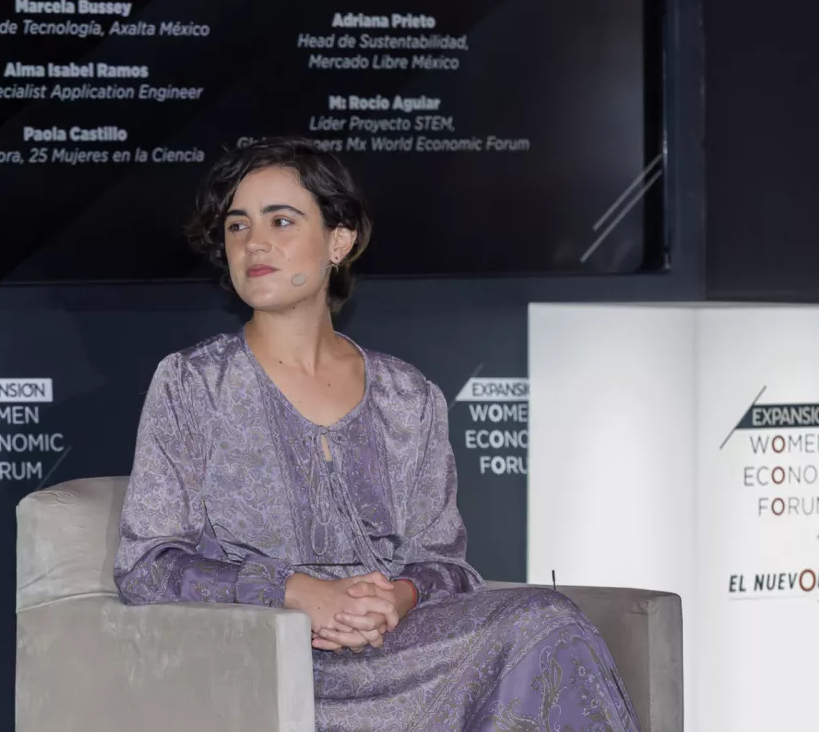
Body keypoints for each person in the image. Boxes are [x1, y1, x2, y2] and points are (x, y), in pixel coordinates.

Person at [113, 136, 640, 731]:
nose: (255, 243)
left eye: (281, 221)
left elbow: (446, 565)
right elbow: (148, 566)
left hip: (407, 652)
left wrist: (398, 597)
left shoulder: (406, 395)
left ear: (339, 239)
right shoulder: (193, 383)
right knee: (542, 622)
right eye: (237, 227)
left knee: (547, 621)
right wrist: (297, 591)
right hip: (276, 665)